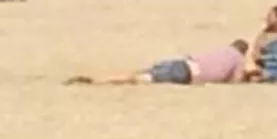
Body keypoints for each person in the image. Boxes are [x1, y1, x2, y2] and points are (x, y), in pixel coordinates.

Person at [67, 39, 250, 86]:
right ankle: (97, 81)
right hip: (186, 74)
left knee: (143, 72)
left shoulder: (222, 50)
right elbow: (235, 80)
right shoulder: (238, 58)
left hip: (183, 62)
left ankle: (99, 78)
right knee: (137, 80)